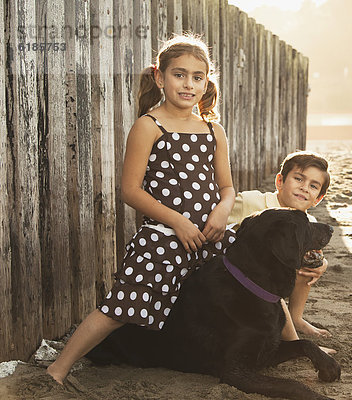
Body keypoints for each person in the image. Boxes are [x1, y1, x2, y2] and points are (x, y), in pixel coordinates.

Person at [47, 33, 236, 384]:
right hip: (165, 237)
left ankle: (293, 340)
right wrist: (177, 221)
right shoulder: (149, 126)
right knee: (122, 305)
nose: (189, 84)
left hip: (212, 234)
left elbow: (226, 187)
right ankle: (57, 369)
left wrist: (223, 210)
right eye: (179, 74)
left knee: (251, 276)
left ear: (206, 81)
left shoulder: (213, 129)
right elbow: (130, 190)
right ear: (159, 76)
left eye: (198, 77)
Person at [227, 150, 332, 340]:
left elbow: (312, 254)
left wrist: (321, 265)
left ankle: (296, 317)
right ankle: (293, 342)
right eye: (299, 179)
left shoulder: (308, 221)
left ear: (318, 199)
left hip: (271, 277)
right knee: (270, 283)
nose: (304, 188)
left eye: (313, 186)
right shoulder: (251, 201)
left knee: (306, 267)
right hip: (240, 276)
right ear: (280, 181)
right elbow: (219, 224)